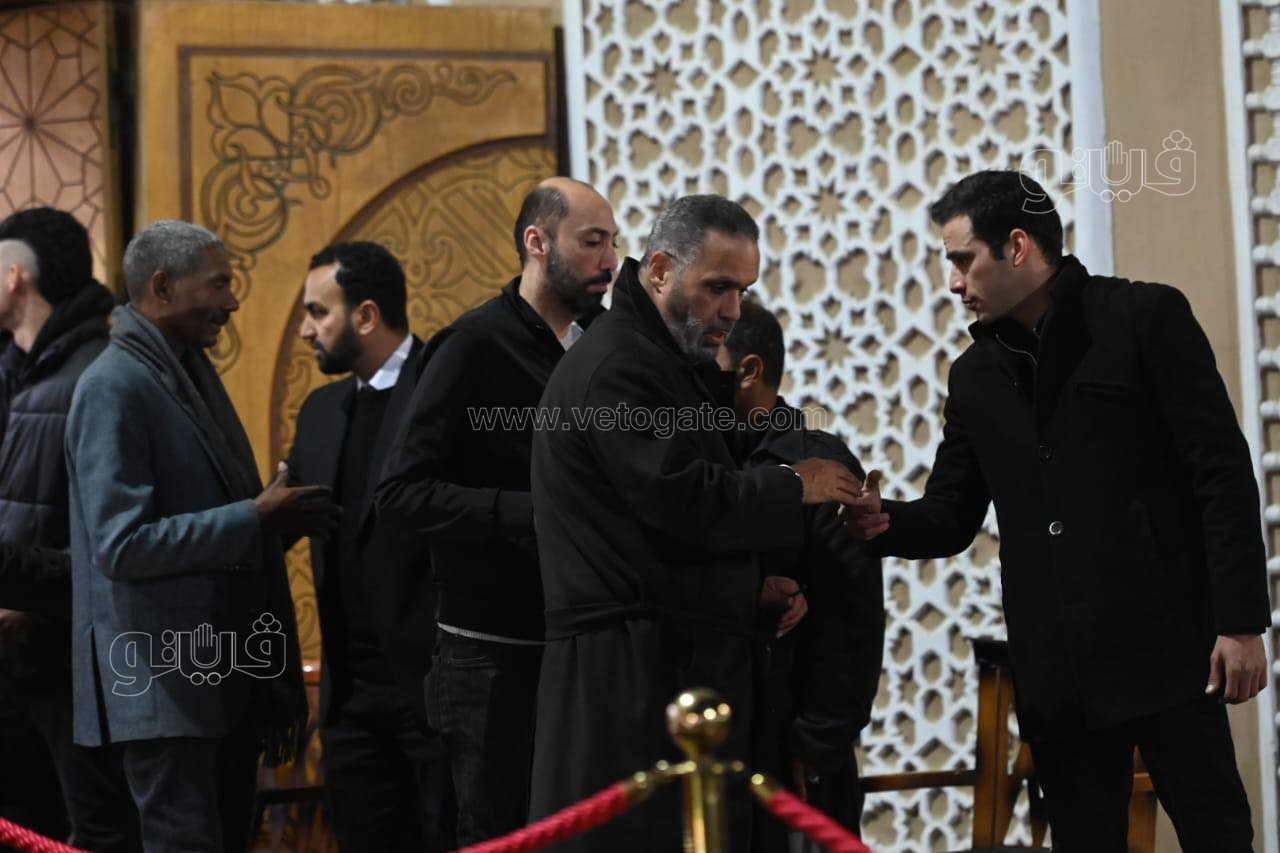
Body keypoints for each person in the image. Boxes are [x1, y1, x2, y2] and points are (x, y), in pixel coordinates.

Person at [843, 170, 1271, 852]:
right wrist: (883, 521)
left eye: (963, 260)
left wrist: (1241, 623)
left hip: (1168, 651)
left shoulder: (1143, 318)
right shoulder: (974, 375)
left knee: (1217, 836)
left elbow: (1219, 472)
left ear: (1017, 246)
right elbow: (952, 513)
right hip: (1056, 673)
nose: (953, 283)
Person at [528, 194, 866, 852]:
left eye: (742, 291)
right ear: (659, 269)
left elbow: (653, 539)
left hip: (661, 666)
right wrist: (793, 484)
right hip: (626, 684)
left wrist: (748, 587)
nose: (733, 310)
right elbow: (682, 498)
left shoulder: (657, 363)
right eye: (717, 287)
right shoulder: (620, 366)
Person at [65, 220, 339, 853]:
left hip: (215, 677)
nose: (232, 302)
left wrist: (266, 517)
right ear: (162, 286)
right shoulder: (113, 385)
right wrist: (254, 517)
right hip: (163, 687)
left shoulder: (182, 375)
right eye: (218, 285)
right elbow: (122, 545)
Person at [375, 177, 619, 846]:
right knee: (499, 834)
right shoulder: (472, 343)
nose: (610, 261)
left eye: (613, 242)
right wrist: (534, 514)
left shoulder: (607, 344)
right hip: (490, 654)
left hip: (587, 645)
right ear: (537, 242)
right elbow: (400, 492)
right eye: (592, 242)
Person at [283, 241, 454, 851]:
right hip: (350, 700)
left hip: (434, 691)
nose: (306, 330)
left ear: (365, 315)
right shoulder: (320, 411)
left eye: (318, 312)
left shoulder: (444, 387)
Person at [717, 301, 884, 846]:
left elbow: (852, 618)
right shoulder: (704, 457)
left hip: (794, 747)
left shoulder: (820, 463)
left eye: (708, 359)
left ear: (749, 370)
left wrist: (816, 741)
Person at [0, 208, 140, 850]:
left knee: (95, 833)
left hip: (82, 673)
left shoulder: (96, 375)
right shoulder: (17, 371)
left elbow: (118, 547)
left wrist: (23, 595)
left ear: (14, 277)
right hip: (21, 668)